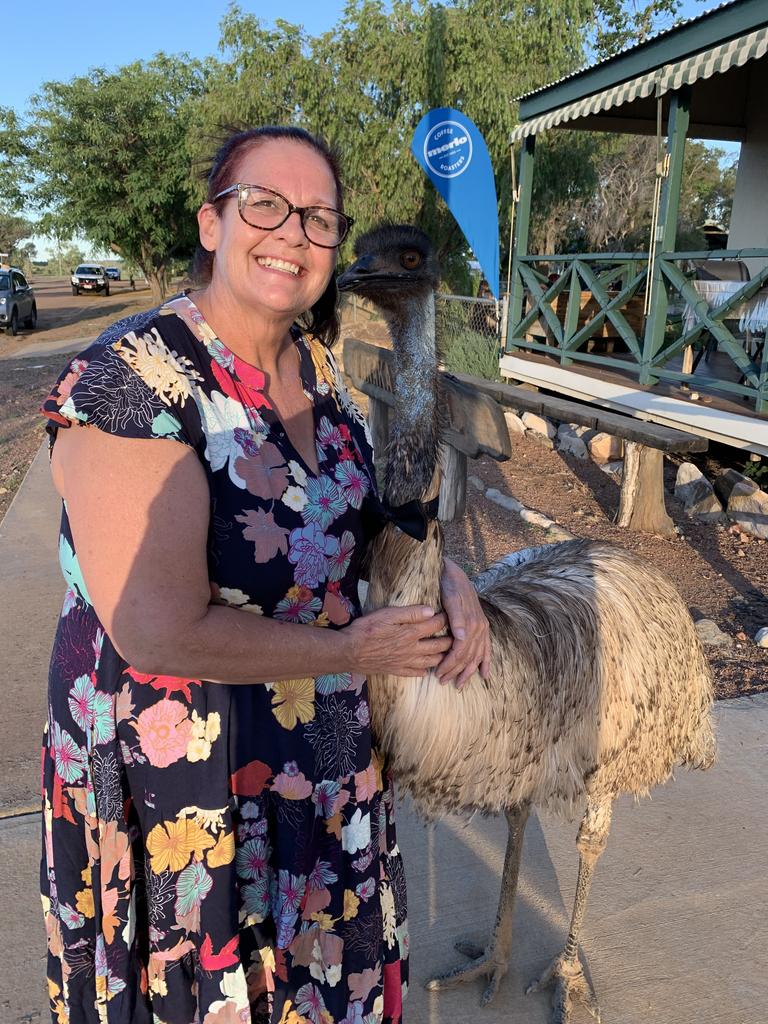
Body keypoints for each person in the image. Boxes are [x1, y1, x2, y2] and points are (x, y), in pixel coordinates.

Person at [40, 125, 490, 1024]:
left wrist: (447, 580)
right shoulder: (127, 385)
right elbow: (156, 628)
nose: (294, 233)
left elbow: (361, 521)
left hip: (317, 749)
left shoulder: (314, 368)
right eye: (266, 205)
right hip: (183, 768)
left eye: (319, 219)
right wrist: (352, 648)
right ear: (212, 222)